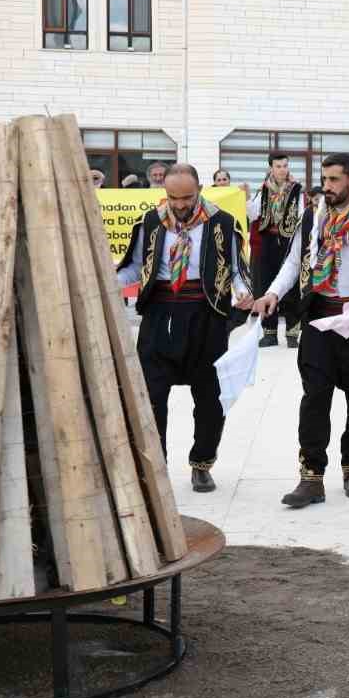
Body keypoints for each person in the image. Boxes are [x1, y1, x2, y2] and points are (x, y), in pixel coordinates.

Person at [252, 154, 349, 508]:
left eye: (335, 180)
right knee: (315, 397)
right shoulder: (314, 215)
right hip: (320, 317)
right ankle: (311, 477)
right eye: (325, 179)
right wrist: (273, 292)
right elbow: (294, 261)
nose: (328, 186)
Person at [115, 164, 253, 494]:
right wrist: (108, 282)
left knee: (209, 398)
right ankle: (155, 466)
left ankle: (202, 464)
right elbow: (134, 267)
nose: (179, 205)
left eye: (187, 197)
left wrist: (243, 291)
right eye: (172, 198)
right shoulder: (150, 222)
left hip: (206, 315)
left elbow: (237, 270)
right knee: (150, 395)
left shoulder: (222, 223)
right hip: (159, 315)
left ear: (200, 189)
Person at [246, 152, 306, 349]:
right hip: (267, 241)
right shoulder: (263, 189)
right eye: (278, 166)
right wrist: (246, 199)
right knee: (266, 284)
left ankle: (292, 333)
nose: (283, 170)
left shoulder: (297, 189)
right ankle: (269, 333)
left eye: (285, 166)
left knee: (291, 286)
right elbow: (254, 214)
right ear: (271, 168)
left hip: (288, 241)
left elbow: (302, 216)